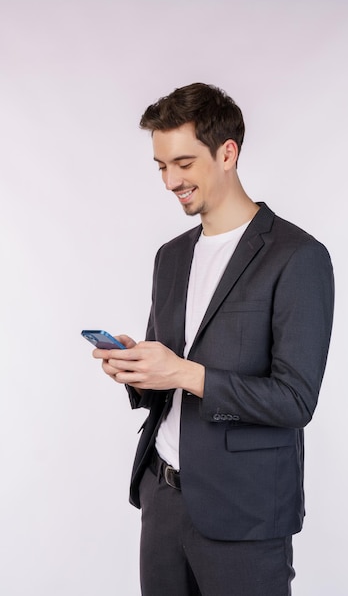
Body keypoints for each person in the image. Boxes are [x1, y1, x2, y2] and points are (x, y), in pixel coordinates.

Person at [92, 82, 334, 596]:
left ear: (228, 153)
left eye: (183, 163)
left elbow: (295, 399)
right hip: (162, 500)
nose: (169, 180)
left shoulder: (298, 257)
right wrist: (135, 370)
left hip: (244, 516)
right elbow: (165, 381)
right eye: (160, 166)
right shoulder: (171, 256)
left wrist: (182, 371)